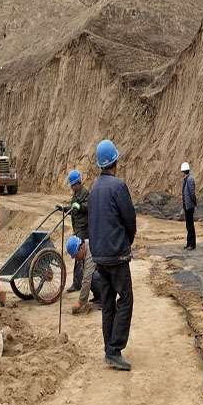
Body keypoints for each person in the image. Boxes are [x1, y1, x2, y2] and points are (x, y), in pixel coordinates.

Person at [88, 139, 136, 371]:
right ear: (115, 161)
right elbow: (130, 220)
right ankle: (115, 349)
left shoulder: (94, 189)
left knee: (108, 303)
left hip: (100, 257)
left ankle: (109, 347)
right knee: (125, 299)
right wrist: (127, 242)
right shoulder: (118, 186)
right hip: (116, 256)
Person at [65, 170, 89, 293]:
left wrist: (80, 207)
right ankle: (80, 281)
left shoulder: (84, 193)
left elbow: (88, 206)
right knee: (80, 257)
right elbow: (73, 207)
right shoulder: (76, 194)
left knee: (79, 256)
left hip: (84, 228)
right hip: (77, 228)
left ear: (77, 183)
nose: (72, 187)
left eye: (72, 185)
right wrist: (64, 209)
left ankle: (77, 283)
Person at [66, 235, 101, 313]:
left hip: (110, 274)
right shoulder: (84, 249)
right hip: (101, 270)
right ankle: (98, 296)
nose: (76, 258)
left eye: (76, 255)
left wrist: (80, 302)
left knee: (93, 276)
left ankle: (106, 299)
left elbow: (87, 278)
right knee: (86, 274)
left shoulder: (90, 250)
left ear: (81, 248)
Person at [181, 161, 197, 250]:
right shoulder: (186, 179)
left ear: (184, 171)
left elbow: (192, 193)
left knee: (190, 225)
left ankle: (192, 244)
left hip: (190, 206)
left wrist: (194, 203)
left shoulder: (190, 180)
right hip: (187, 206)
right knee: (188, 225)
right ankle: (188, 243)